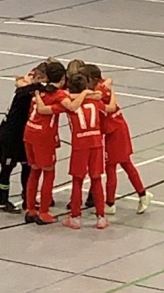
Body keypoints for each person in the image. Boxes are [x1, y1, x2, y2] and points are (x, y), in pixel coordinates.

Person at [37, 72, 116, 231]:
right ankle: (101, 217)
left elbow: (46, 109)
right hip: (96, 142)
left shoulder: (70, 104)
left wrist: (38, 95)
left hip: (80, 144)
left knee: (77, 180)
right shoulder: (95, 101)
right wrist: (111, 93)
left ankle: (75, 217)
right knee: (96, 179)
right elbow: (111, 108)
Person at [83, 63, 153, 215]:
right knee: (124, 164)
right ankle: (140, 194)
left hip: (115, 131)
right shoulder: (101, 86)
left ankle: (113, 202)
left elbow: (108, 106)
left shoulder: (97, 94)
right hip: (117, 129)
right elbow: (109, 81)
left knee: (112, 166)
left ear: (91, 79)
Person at [23, 60, 71, 225]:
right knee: (49, 172)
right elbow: (71, 105)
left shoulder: (39, 90)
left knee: (34, 170)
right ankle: (43, 212)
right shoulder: (59, 95)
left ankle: (30, 209)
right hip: (43, 136)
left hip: (29, 132)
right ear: (63, 78)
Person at [0, 62, 48, 213]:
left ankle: (27, 198)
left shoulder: (30, 84)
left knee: (27, 165)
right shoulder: (25, 92)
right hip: (9, 134)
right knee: (7, 167)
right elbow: (24, 87)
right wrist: (39, 86)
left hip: (22, 134)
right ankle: (3, 201)